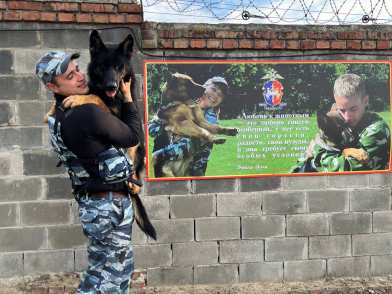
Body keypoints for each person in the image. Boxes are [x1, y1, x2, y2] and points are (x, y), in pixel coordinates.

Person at [36, 51, 142, 293]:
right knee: (112, 279)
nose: (80, 77)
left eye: (77, 69)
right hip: (108, 206)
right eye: (69, 75)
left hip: (94, 205)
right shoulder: (87, 112)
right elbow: (133, 136)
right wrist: (128, 98)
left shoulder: (59, 114)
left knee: (101, 272)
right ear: (53, 85)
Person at [291, 73, 390, 172]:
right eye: (342, 110)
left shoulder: (376, 129)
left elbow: (345, 169)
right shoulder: (339, 123)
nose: (346, 118)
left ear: (366, 101)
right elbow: (299, 166)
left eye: (353, 109)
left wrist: (317, 150)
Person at [149, 76, 229, 177]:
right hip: (164, 170)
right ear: (205, 86)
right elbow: (152, 129)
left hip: (189, 173)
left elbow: (190, 146)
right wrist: (167, 125)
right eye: (214, 89)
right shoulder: (182, 101)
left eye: (220, 95)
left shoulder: (211, 121)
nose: (215, 95)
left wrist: (161, 155)